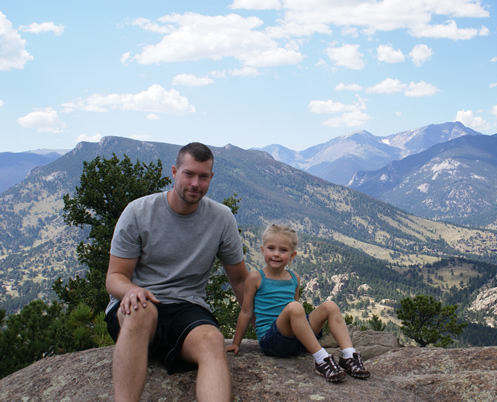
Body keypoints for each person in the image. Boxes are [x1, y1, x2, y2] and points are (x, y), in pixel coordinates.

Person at [104, 142, 248, 401]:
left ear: (211, 178)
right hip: (139, 303)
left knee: (212, 341)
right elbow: (115, 277)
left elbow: (239, 280)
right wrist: (132, 290)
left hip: (186, 306)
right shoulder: (138, 212)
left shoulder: (221, 218)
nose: (195, 183)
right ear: (174, 171)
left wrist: (269, 326)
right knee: (141, 312)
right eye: (188, 174)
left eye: (203, 176)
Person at [226, 223, 370, 382]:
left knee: (330, 306)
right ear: (262, 250)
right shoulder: (255, 277)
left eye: (283, 250)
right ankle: (321, 359)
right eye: (271, 248)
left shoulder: (294, 278)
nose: (276, 254)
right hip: (272, 341)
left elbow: (297, 315)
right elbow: (246, 312)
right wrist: (235, 343)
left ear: (292, 255)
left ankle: (349, 356)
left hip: (295, 341)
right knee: (295, 307)